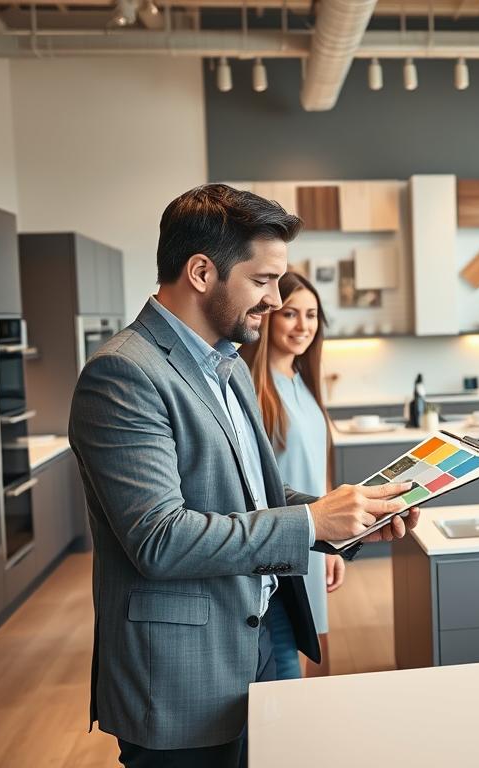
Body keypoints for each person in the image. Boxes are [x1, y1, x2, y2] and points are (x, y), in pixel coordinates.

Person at [68, 184, 419, 768]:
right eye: (262, 281)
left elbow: (256, 492)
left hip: (250, 642)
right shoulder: (123, 375)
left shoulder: (227, 364)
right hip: (179, 677)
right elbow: (159, 538)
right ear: (201, 272)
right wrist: (310, 521)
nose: (275, 300)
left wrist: (348, 516)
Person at [240, 271, 341, 678]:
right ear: (267, 316)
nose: (303, 326)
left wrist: (333, 544)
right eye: (290, 314)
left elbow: (319, 467)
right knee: (286, 666)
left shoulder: (304, 381)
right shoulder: (250, 387)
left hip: (315, 535)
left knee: (312, 654)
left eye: (312, 315)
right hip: (280, 543)